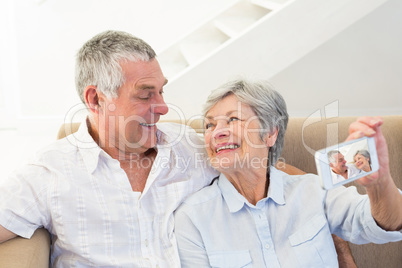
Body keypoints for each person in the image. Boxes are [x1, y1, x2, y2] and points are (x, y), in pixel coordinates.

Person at [0, 30, 354, 267]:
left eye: (162, 90)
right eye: (145, 94)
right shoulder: (49, 172)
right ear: (96, 99)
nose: (164, 106)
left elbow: (276, 176)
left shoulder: (191, 148)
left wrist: (338, 244)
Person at [174, 79, 402, 267]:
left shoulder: (313, 190)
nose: (217, 133)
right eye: (209, 125)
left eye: (233, 119)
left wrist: (379, 184)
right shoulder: (192, 218)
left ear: (270, 134)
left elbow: (385, 225)